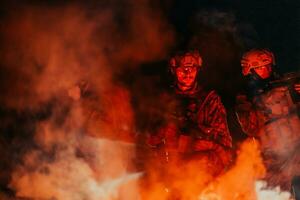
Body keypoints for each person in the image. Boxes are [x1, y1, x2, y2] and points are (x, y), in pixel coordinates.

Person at [147, 50, 233, 174]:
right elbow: (149, 139)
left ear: (197, 70)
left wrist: (195, 138)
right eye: (183, 69)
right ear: (174, 70)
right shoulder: (164, 99)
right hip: (170, 169)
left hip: (203, 170)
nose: (188, 73)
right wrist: (166, 131)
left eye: (192, 68)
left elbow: (224, 142)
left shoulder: (209, 100)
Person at [235, 48, 300, 190]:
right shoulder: (245, 95)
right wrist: (268, 99)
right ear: (250, 70)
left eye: (268, 66)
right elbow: (250, 127)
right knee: (277, 192)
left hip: (295, 148)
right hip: (272, 156)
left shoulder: (282, 84)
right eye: (260, 67)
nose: (266, 70)